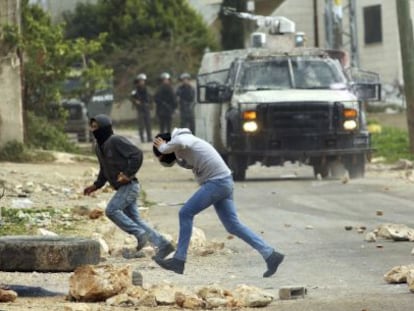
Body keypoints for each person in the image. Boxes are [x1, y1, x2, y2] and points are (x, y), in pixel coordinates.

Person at [152, 128, 284, 276]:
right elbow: (188, 162)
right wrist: (170, 156)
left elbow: (180, 143)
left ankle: (179, 260)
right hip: (224, 181)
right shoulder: (187, 146)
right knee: (233, 226)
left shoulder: (181, 138)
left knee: (185, 213)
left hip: (217, 182)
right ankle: (271, 255)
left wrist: (162, 147)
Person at [84, 114, 174, 260]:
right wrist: (95, 186)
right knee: (136, 219)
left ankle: (140, 235)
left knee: (112, 210)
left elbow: (137, 154)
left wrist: (127, 174)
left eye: (96, 127)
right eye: (92, 127)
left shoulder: (115, 140)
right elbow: (104, 170)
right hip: (122, 188)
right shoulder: (99, 148)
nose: (93, 130)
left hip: (130, 186)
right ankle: (162, 244)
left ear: (105, 128)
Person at [131, 73, 152, 143]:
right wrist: (135, 101)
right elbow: (132, 98)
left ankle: (149, 137)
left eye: (143, 80)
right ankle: (142, 138)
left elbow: (150, 98)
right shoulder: (135, 90)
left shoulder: (147, 88)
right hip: (140, 108)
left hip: (146, 107)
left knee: (148, 123)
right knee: (141, 124)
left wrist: (149, 104)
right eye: (140, 80)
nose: (142, 82)